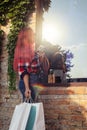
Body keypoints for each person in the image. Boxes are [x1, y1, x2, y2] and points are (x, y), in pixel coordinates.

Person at [13, 27, 40, 102]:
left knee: (31, 108)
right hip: (29, 83)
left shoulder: (30, 49)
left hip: (32, 82)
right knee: (30, 109)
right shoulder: (24, 51)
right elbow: (24, 72)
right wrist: (27, 88)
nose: (34, 36)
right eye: (33, 34)